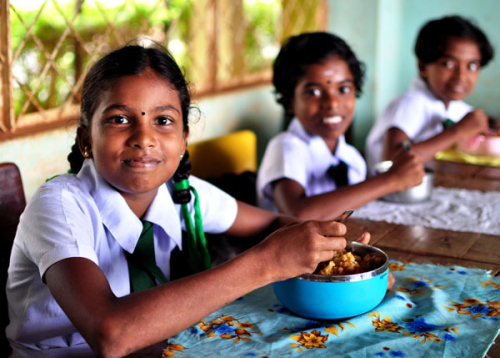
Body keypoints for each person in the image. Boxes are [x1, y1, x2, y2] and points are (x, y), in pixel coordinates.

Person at [5, 44, 376, 357]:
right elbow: (110, 334)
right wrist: (264, 263)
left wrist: (335, 247)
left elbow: (271, 224)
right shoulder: (58, 205)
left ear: (184, 140)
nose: (144, 137)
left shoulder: (184, 194)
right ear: (86, 139)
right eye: (120, 119)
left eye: (163, 121)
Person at [256, 32, 424, 220]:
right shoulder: (286, 146)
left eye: (343, 89)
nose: (333, 103)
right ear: (289, 101)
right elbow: (297, 214)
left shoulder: (351, 159)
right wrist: (389, 180)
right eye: (314, 92)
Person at [365, 15, 495, 173]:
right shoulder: (410, 103)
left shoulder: (459, 109)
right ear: (423, 66)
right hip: (395, 196)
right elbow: (391, 161)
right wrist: (457, 132)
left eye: (472, 66)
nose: (461, 76)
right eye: (448, 64)